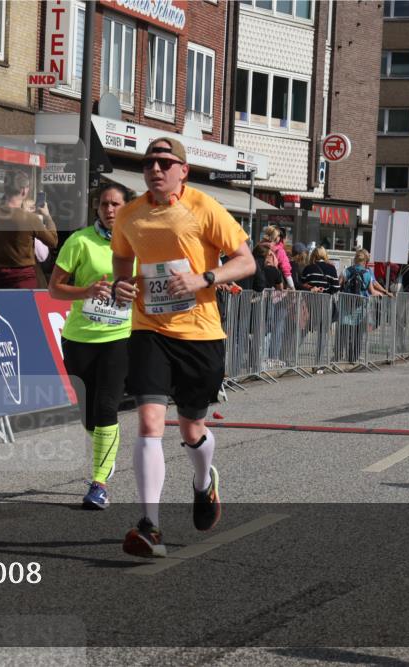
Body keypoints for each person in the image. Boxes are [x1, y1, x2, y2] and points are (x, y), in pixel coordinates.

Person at [110, 138, 255, 557]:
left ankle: (203, 481)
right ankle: (150, 525)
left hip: (200, 333)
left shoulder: (203, 207)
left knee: (192, 427)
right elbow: (122, 258)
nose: (156, 169)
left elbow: (246, 261)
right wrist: (122, 283)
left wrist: (204, 278)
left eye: (165, 162)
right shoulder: (130, 214)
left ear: (182, 170)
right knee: (150, 422)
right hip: (148, 329)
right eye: (149, 162)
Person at [48, 183, 132, 510]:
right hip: (79, 337)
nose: (109, 210)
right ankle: (104, 450)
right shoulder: (80, 241)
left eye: (116, 205)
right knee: (88, 417)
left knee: (107, 406)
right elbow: (56, 289)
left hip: (119, 337)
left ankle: (99, 482)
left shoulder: (138, 244)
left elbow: (149, 288)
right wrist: (87, 291)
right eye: (104, 205)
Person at [0, 171, 58, 288]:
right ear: (24, 191)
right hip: (21, 279)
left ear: (5, 189)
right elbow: (53, 241)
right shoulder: (30, 219)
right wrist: (47, 217)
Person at [337, 248, 390, 363]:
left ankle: (339, 354)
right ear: (365, 261)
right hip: (360, 307)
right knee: (357, 333)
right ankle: (353, 357)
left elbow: (338, 285)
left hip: (346, 304)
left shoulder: (346, 271)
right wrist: (381, 294)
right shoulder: (367, 274)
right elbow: (372, 291)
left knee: (344, 331)